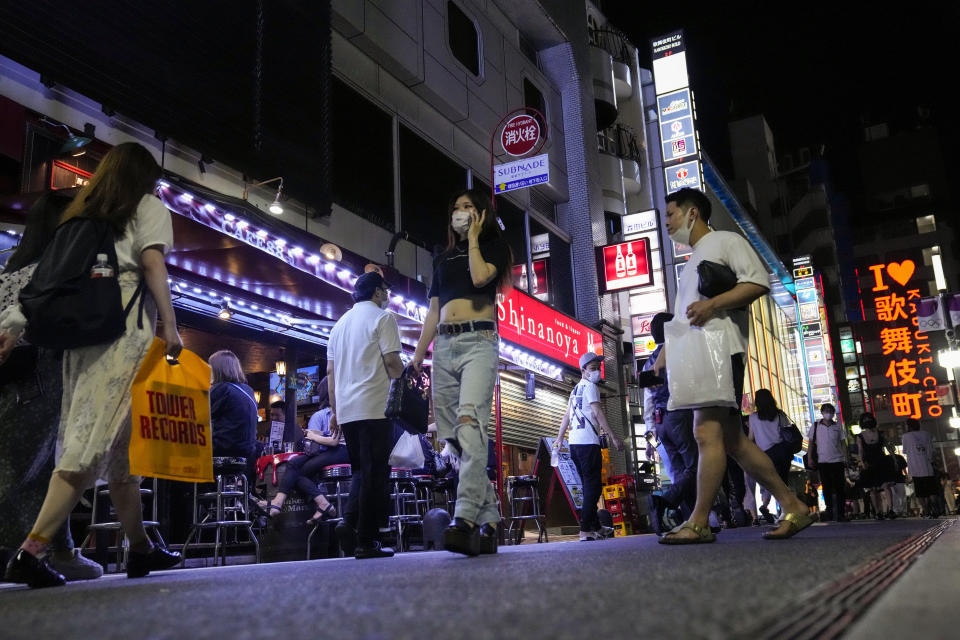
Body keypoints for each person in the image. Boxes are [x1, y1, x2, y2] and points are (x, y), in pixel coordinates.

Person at [0, 142, 182, 587]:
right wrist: (172, 327)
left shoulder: (82, 216)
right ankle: (31, 552)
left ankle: (139, 549)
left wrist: (14, 324)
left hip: (84, 338)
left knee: (120, 451)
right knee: (87, 443)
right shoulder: (147, 206)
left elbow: (49, 277)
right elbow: (153, 263)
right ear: (145, 177)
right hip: (126, 337)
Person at [653, 188, 811, 543]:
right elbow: (684, 317)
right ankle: (792, 505)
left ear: (693, 213)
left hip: (720, 350)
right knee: (733, 441)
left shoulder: (725, 240)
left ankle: (698, 522)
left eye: (671, 215)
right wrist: (664, 356)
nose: (667, 223)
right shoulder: (693, 260)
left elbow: (758, 281)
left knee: (705, 433)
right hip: (701, 352)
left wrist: (713, 306)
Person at [0, 191, 102, 583]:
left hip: (13, 376)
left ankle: (59, 550)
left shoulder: (10, 268)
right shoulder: (52, 273)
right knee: (29, 468)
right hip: (44, 373)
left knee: (48, 466)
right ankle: (39, 552)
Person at [411, 189, 513, 556]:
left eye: (468, 207)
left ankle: (465, 518)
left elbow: (482, 277)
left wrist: (472, 238)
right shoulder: (443, 258)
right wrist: (418, 356)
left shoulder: (494, 248)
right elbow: (432, 312)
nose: (460, 212)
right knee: (455, 441)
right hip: (444, 348)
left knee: (470, 426)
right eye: (456, 208)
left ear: (482, 214)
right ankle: (489, 522)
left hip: (479, 343)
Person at [328, 271, 403, 559]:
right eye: (386, 291)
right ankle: (368, 540)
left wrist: (334, 411)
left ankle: (349, 524)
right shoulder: (383, 319)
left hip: (348, 409)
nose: (387, 297)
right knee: (375, 473)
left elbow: (331, 372)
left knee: (361, 470)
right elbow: (392, 362)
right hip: (374, 405)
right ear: (376, 292)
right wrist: (408, 383)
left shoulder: (339, 325)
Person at [554, 352, 624, 541]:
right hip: (588, 443)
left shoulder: (575, 389)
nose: (596, 372)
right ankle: (585, 529)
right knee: (593, 488)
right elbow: (598, 412)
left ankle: (595, 527)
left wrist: (560, 439)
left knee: (588, 487)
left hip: (575, 445)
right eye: (592, 369)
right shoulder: (590, 387)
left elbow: (567, 416)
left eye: (597, 368)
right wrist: (613, 436)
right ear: (583, 371)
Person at [639, 312, 697, 534]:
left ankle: (693, 520)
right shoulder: (677, 353)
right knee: (695, 467)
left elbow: (648, 404)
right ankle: (666, 500)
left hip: (661, 422)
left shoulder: (647, 364)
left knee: (680, 472)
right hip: (680, 415)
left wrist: (650, 439)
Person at [261, 377, 344, 524]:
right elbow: (329, 437)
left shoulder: (338, 410)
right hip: (336, 450)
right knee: (294, 465)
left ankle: (281, 501)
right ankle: (284, 501)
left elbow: (334, 441)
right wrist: (316, 434)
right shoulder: (338, 409)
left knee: (296, 471)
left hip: (340, 450)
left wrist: (312, 435)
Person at [208, 349, 261, 493]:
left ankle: (192, 508)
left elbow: (201, 418)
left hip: (223, 450)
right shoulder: (248, 390)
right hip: (246, 454)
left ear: (217, 369)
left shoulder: (221, 389)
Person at [811, 403, 849, 522]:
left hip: (838, 460)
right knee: (826, 488)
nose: (828, 413)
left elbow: (843, 443)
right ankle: (830, 512)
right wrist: (809, 458)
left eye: (830, 411)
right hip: (823, 461)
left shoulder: (837, 426)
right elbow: (811, 442)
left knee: (840, 488)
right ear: (822, 413)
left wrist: (846, 457)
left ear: (833, 413)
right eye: (826, 411)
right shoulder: (816, 426)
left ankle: (841, 513)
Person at [855, 412, 896, 520]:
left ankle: (891, 510)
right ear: (862, 422)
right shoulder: (860, 436)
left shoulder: (881, 433)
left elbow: (888, 447)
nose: (867, 421)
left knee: (886, 486)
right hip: (869, 463)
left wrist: (894, 458)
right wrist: (862, 462)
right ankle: (878, 512)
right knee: (872, 489)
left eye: (869, 418)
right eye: (865, 419)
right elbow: (860, 451)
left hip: (882, 461)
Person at [900, 418, 938, 518]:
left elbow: (905, 451)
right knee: (931, 490)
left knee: (920, 493)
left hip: (915, 468)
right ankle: (934, 507)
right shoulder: (927, 434)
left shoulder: (906, 436)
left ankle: (926, 510)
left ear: (909, 426)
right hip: (928, 467)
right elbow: (932, 450)